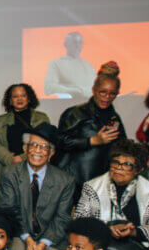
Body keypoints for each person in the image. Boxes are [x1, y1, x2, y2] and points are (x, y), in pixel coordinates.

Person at [0, 124, 75, 250]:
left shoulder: (65, 180)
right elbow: (9, 211)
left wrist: (41, 245)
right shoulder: (10, 173)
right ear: (25, 148)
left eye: (44, 147)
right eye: (33, 145)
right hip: (19, 234)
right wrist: (28, 240)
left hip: (51, 238)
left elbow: (62, 218)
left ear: (51, 153)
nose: (38, 151)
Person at [53, 61, 126, 195]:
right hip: (73, 183)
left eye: (112, 94)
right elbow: (60, 141)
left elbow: (123, 147)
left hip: (102, 183)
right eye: (103, 92)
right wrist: (92, 141)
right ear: (94, 90)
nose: (107, 97)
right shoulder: (75, 113)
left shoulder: (115, 118)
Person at [0, 83, 50, 202]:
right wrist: (10, 158)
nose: (19, 99)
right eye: (15, 96)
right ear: (10, 101)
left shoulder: (41, 118)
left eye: (23, 96)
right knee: (3, 212)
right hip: (6, 169)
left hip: (32, 169)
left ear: (29, 98)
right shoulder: (1, 120)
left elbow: (45, 142)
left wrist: (22, 158)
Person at [44, 32, 96, 98]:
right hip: (67, 103)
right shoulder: (56, 63)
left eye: (80, 42)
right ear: (66, 44)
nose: (77, 45)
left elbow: (97, 87)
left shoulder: (88, 66)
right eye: (74, 42)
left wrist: (82, 91)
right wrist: (75, 91)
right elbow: (49, 88)